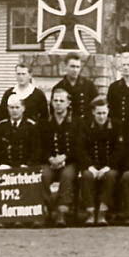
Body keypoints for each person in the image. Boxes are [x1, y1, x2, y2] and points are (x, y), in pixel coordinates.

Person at [40, 88, 82, 227]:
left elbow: (79, 146)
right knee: (43, 175)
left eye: (61, 101)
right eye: (55, 100)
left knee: (67, 175)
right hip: (50, 162)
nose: (58, 104)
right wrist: (50, 159)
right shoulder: (45, 122)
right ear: (51, 102)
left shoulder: (76, 122)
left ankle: (61, 211)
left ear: (68, 103)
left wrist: (64, 157)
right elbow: (40, 146)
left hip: (69, 161)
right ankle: (45, 208)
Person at [80, 97, 123, 226]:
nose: (101, 116)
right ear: (93, 112)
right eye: (99, 113)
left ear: (108, 111)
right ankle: (91, 212)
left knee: (110, 176)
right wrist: (90, 166)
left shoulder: (116, 125)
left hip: (109, 166)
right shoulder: (85, 125)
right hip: (92, 165)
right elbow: (81, 149)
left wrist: (107, 167)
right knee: (86, 175)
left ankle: (102, 212)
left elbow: (120, 150)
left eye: (104, 113)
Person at [0, 94, 41, 171]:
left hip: (25, 165)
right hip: (5, 164)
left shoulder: (31, 126)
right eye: (11, 107)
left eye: (17, 107)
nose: (14, 110)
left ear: (23, 108)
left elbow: (36, 150)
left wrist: (29, 164)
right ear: (7, 108)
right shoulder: (1, 126)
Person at [52, 53, 98, 121]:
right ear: (65, 66)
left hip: (85, 125)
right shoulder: (59, 87)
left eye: (77, 67)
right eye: (72, 66)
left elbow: (96, 106)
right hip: (67, 126)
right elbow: (53, 110)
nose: (75, 70)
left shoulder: (89, 85)